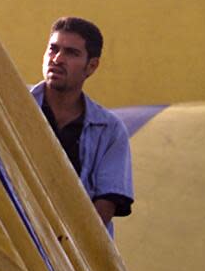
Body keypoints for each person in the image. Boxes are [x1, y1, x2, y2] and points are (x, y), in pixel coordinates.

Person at [30, 17, 133, 232]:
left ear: (92, 66)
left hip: (72, 251)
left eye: (71, 53)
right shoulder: (14, 106)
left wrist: (65, 242)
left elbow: (106, 203)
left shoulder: (109, 130)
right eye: (53, 49)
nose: (57, 59)